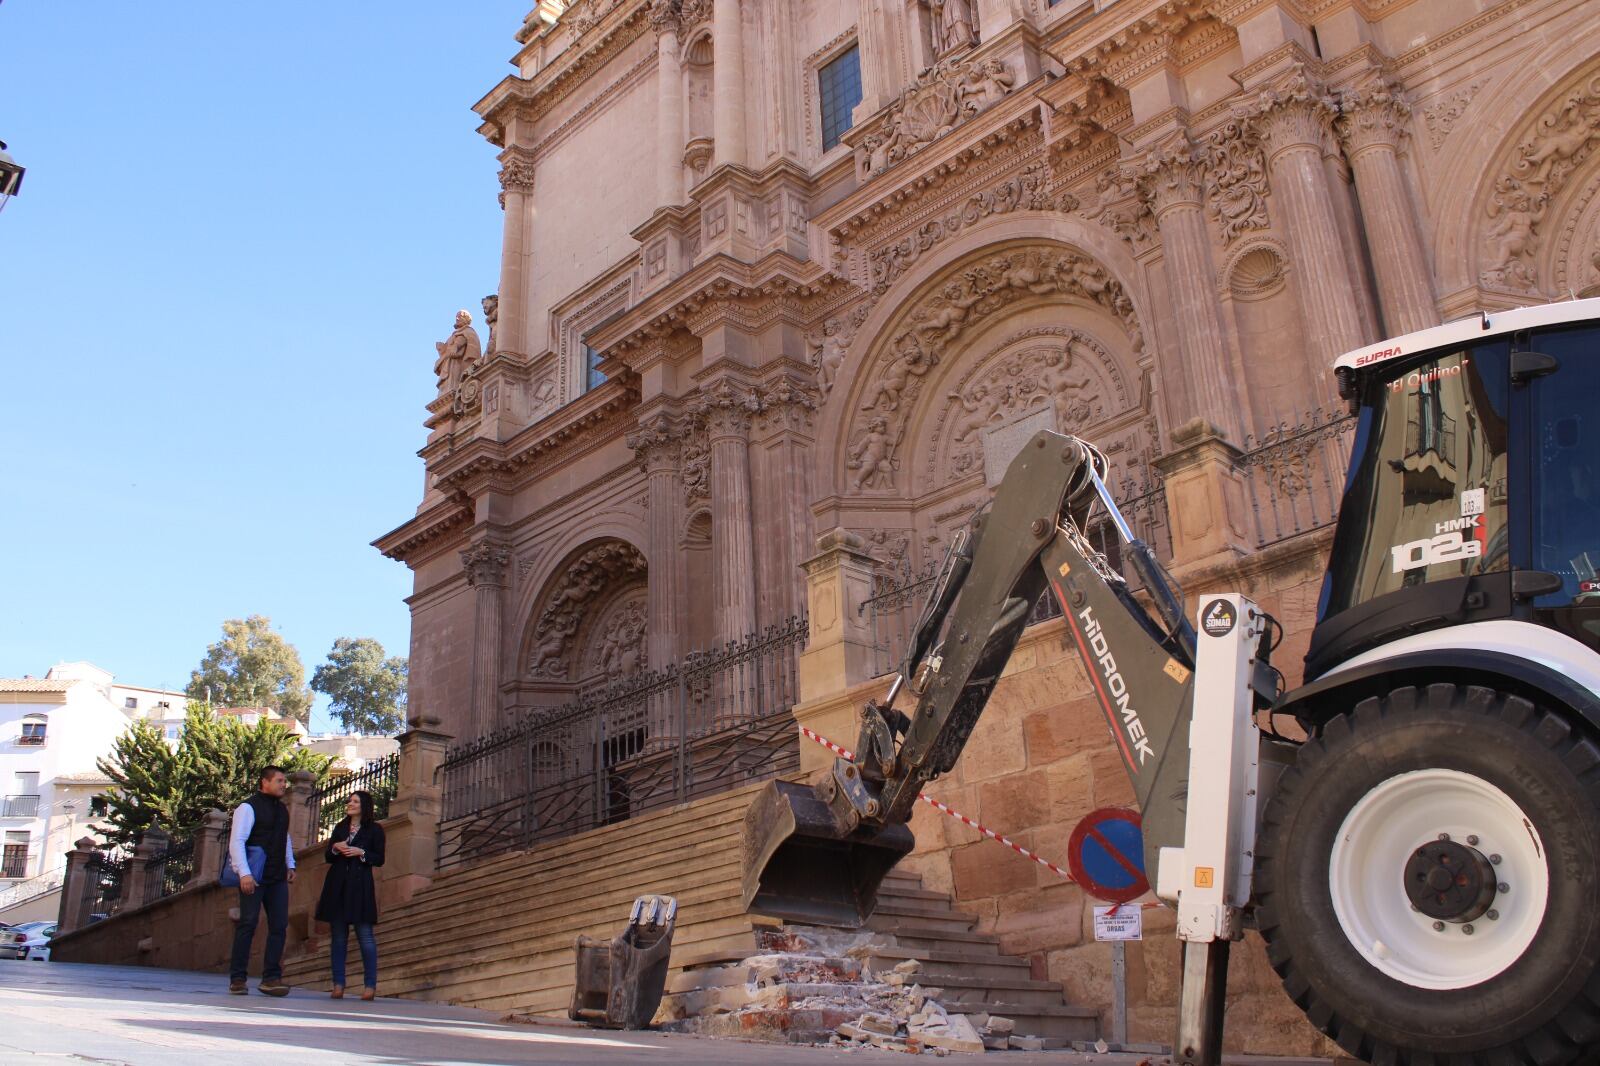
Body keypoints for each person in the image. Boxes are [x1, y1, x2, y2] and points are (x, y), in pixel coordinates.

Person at [228, 766, 296, 996]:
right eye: (279, 780)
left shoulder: (282, 810)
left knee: (279, 925)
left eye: (284, 781)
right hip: (254, 875)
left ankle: (271, 978)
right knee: (248, 924)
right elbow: (237, 841)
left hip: (277, 876)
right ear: (264, 782)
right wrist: (244, 874)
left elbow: (284, 837)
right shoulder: (248, 807)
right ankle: (238, 978)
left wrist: (291, 863)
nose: (283, 784)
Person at [316, 790, 386, 1001]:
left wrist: (361, 853)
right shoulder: (340, 827)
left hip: (360, 887)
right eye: (350, 800)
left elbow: (379, 858)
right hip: (338, 886)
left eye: (355, 801)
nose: (350, 803)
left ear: (364, 805)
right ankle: (338, 984)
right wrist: (337, 848)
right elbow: (328, 855)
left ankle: (370, 985)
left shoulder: (374, 830)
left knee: (365, 936)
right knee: (338, 937)